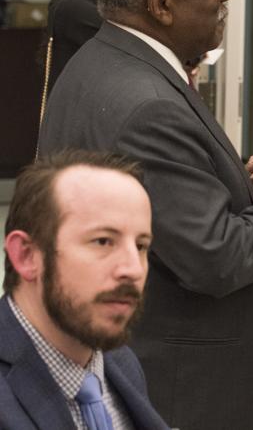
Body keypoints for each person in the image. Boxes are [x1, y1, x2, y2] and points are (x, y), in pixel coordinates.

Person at [37, 0, 253, 430]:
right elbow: (216, 258)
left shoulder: (99, 62)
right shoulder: (148, 103)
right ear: (162, 4)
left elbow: (164, 214)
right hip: (183, 392)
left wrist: (234, 187)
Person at [1, 150, 168, 429]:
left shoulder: (119, 362)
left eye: (140, 246)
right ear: (26, 256)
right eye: (103, 241)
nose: (134, 269)